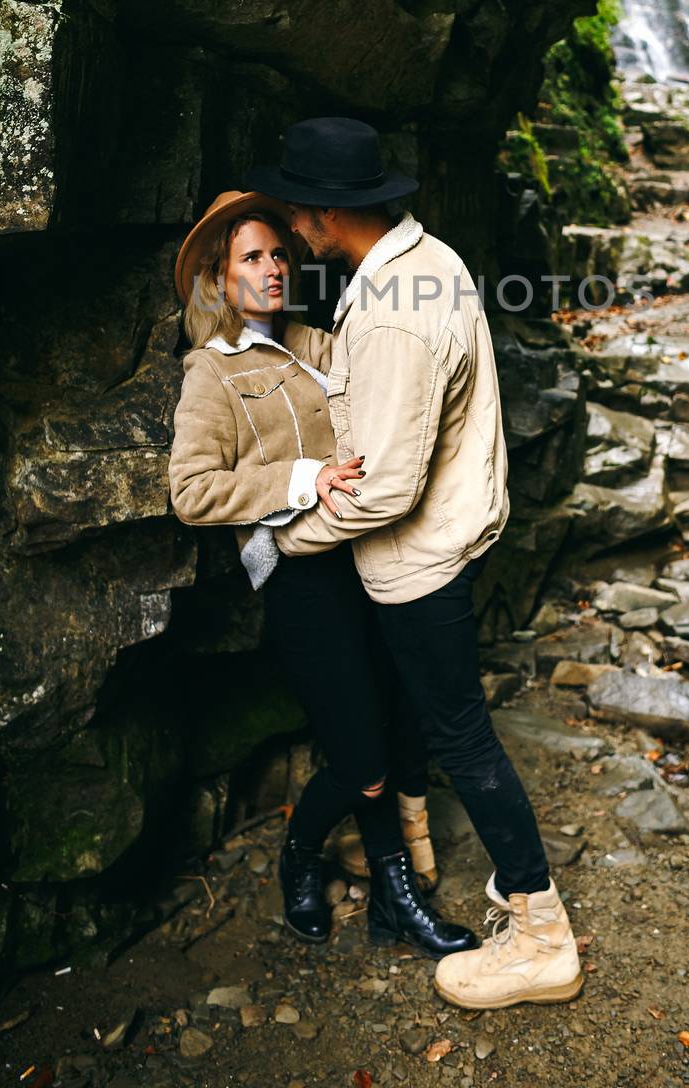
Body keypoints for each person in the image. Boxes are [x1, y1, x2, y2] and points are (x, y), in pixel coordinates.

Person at [244, 120, 583, 1010]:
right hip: (451, 534)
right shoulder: (428, 259)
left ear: (327, 213)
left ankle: (541, 933)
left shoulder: (393, 314)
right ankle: (405, 850)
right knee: (416, 717)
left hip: (417, 559)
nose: (291, 231)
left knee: (461, 738)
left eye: (296, 212)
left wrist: (284, 538)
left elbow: (387, 488)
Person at [167, 189, 477, 960]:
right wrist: (302, 476)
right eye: (250, 258)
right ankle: (302, 854)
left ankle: (393, 897)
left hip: (372, 557)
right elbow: (192, 490)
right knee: (363, 762)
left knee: (393, 731)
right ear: (219, 277)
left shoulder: (325, 339)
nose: (271, 268)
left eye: (278, 253)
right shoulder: (211, 373)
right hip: (301, 581)